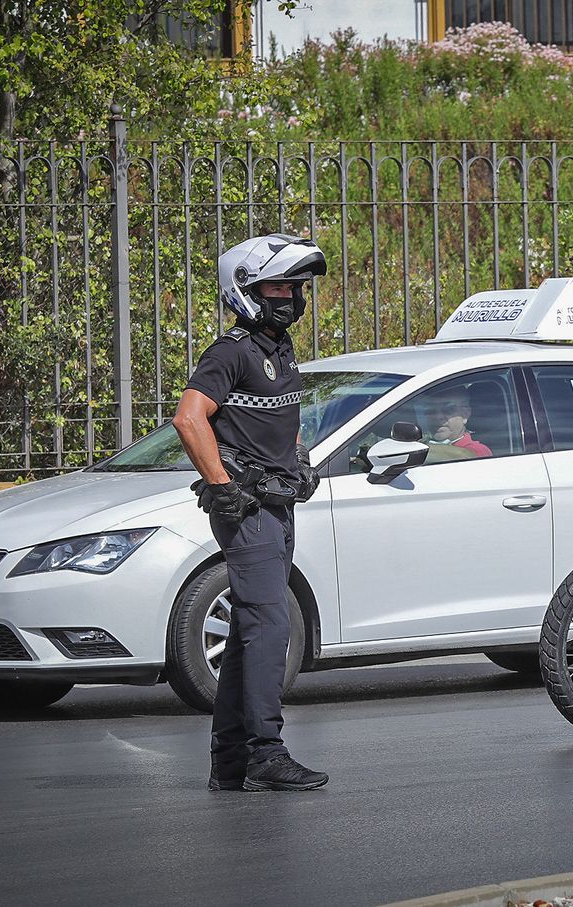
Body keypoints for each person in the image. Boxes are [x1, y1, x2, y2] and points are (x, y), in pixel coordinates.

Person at [172, 232, 328, 793]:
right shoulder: (231, 352)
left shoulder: (277, 350)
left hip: (278, 505)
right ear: (245, 290)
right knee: (271, 627)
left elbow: (274, 423)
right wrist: (222, 485)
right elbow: (189, 418)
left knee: (248, 631)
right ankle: (267, 752)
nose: (288, 294)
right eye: (276, 285)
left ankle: (231, 760)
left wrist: (298, 459)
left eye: (294, 285)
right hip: (250, 510)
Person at [417, 386, 492, 461]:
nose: (437, 416)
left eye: (448, 409)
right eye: (431, 410)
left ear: (465, 414)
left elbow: (465, 456)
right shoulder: (422, 442)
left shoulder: (479, 450)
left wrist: (414, 451)